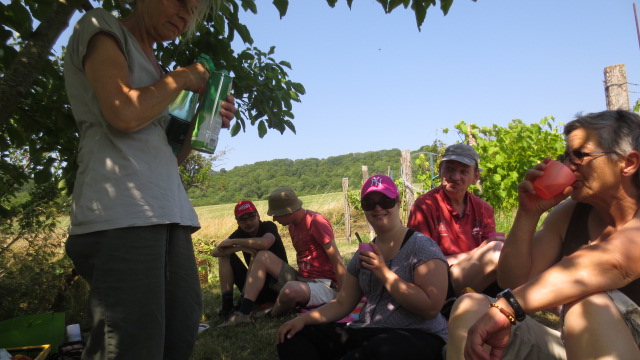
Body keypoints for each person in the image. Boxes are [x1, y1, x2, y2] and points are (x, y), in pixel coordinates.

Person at [62, 0, 236, 358]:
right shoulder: (101, 26)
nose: (186, 15)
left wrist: (207, 120)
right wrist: (183, 78)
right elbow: (124, 112)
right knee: (130, 345)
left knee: (180, 331)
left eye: (194, 10)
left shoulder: (156, 68)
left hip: (166, 210)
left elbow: (169, 157)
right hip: (122, 213)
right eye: (180, 2)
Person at [447, 110, 640, 360]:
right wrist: (528, 213)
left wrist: (509, 306)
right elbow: (513, 281)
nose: (568, 166)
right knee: (470, 306)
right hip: (581, 345)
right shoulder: (569, 214)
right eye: (565, 156)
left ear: (629, 163)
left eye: (580, 155)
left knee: (588, 302)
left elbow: (615, 262)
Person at [276, 174, 449, 359]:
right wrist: (303, 319)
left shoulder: (422, 247)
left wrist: (384, 273)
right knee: (293, 336)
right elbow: (343, 303)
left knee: (380, 349)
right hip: (370, 330)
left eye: (385, 200)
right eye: (369, 203)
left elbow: (431, 308)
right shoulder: (362, 255)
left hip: (418, 335)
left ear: (398, 203)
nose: (378, 208)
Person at [219, 187, 346, 327]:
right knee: (263, 256)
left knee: (290, 289)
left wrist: (344, 293)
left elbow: (337, 259)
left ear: (289, 211)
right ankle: (244, 313)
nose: (274, 218)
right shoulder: (293, 226)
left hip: (324, 284)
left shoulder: (316, 221)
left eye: (276, 214)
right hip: (303, 279)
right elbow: (218, 251)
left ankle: (270, 314)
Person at [407, 144, 505, 311]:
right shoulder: (424, 206)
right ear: (440, 171)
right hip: (439, 283)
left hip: (475, 278)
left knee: (512, 253)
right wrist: (476, 252)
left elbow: (488, 251)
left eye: (463, 171)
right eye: (450, 169)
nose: (455, 176)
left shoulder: (484, 209)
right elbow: (421, 266)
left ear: (475, 176)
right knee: (497, 251)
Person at [211, 200, 288, 319]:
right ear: (238, 222)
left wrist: (234, 242)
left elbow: (265, 243)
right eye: (243, 219)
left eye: (251, 217)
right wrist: (240, 248)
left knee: (261, 253)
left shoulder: (268, 226)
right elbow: (215, 252)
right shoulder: (240, 232)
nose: (248, 222)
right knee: (224, 256)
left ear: (258, 215)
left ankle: (247, 306)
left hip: (276, 285)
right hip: (253, 286)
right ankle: (227, 306)